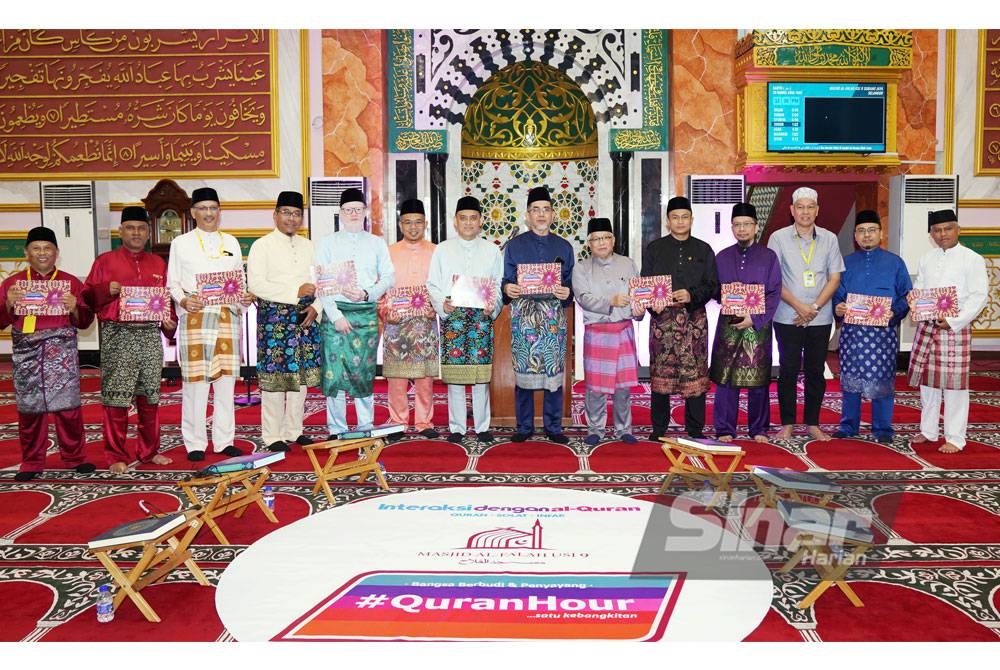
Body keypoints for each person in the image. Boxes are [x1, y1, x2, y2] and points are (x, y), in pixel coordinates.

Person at [82, 207, 176, 473]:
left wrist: (170, 325)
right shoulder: (105, 262)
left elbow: (166, 303)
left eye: (141, 228)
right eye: (130, 228)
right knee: (116, 400)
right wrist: (104, 289)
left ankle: (149, 451)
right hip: (118, 336)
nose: (136, 233)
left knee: (150, 399)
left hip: (148, 336)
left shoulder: (158, 264)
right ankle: (115, 456)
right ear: (120, 231)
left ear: (148, 233)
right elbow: (86, 298)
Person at [0, 226, 96, 481]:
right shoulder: (12, 284)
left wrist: (75, 307)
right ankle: (31, 462)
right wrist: (8, 303)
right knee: (30, 410)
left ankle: (75, 458)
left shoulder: (71, 283)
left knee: (68, 409)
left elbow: (85, 321)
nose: (42, 253)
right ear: (26, 252)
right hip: (26, 354)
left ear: (57, 253)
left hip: (61, 353)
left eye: (48, 248)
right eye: (36, 248)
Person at [166, 187, 252, 461]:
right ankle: (195, 443)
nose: (208, 214)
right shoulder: (181, 243)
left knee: (226, 382)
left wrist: (244, 298)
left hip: (227, 316)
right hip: (196, 317)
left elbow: (239, 280)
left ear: (219, 211)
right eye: (202, 208)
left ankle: (224, 440)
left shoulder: (232, 242)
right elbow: (173, 283)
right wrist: (182, 301)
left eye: (213, 208)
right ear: (193, 213)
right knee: (196, 384)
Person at [314, 188, 395, 438]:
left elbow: (390, 276)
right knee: (334, 374)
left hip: (364, 314)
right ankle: (336, 429)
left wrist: (368, 293)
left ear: (365, 212)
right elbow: (321, 282)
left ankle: (365, 428)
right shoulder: (327, 243)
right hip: (335, 314)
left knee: (363, 373)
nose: (353, 214)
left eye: (357, 210)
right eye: (348, 210)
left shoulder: (376, 242)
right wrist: (335, 315)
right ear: (340, 213)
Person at [246, 191, 322, 452]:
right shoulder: (262, 246)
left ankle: (294, 430)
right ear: (275, 215)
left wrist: (316, 307)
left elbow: (321, 283)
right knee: (275, 380)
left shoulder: (309, 246)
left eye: (297, 213)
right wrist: (294, 292)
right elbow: (255, 283)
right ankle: (272, 435)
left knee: (299, 379)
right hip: (274, 321)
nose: (292, 218)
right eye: (286, 213)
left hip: (304, 319)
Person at [908, 209, 988, 453]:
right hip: (928, 325)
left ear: (958, 229)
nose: (942, 234)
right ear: (931, 234)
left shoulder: (972, 258)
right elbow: (920, 288)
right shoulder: (927, 258)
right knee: (928, 383)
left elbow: (979, 297)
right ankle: (929, 430)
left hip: (955, 329)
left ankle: (956, 437)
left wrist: (954, 321)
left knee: (954, 386)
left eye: (947, 228)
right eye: (937, 230)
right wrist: (915, 301)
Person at [767, 187, 844, 441]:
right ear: (792, 210)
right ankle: (787, 423)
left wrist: (814, 309)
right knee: (788, 370)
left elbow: (834, 278)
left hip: (820, 318)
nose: (805, 212)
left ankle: (813, 423)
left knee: (815, 372)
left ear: (817, 210)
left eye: (810, 207)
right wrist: (801, 307)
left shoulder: (830, 239)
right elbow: (774, 279)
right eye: (800, 207)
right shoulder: (778, 238)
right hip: (787, 315)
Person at [427, 196, 504, 443]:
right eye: (463, 218)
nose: (468, 223)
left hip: (481, 318)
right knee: (456, 376)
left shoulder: (492, 250)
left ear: (480, 221)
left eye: (473, 218)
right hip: (454, 318)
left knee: (481, 376)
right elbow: (432, 284)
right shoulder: (442, 249)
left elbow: (498, 286)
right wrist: (443, 304)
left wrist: (493, 306)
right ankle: (457, 427)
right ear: (455, 222)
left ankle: (482, 426)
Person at [641, 196, 719, 440]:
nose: (680, 221)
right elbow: (645, 283)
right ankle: (659, 429)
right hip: (663, 322)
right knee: (660, 375)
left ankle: (695, 429)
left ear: (692, 220)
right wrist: (654, 304)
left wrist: (691, 295)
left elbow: (713, 286)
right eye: (675, 217)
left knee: (694, 375)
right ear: (668, 221)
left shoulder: (704, 249)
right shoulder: (655, 248)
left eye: (685, 217)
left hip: (694, 321)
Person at [501, 186, 575, 443]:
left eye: (546, 209)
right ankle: (524, 426)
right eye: (536, 210)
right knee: (523, 369)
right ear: (527, 216)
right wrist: (507, 288)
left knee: (554, 372)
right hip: (524, 318)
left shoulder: (564, 247)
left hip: (553, 319)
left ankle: (553, 427)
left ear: (553, 214)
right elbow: (506, 282)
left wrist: (568, 292)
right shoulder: (514, 246)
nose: (541, 215)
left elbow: (570, 283)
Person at [832, 210, 912, 444]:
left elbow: (907, 295)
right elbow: (837, 295)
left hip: (882, 334)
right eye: (861, 231)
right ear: (855, 236)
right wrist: (838, 307)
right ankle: (848, 426)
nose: (867, 235)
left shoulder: (895, 262)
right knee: (850, 380)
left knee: (883, 380)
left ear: (881, 233)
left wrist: (894, 312)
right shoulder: (846, 263)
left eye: (872, 230)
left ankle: (883, 428)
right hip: (853, 334)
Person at [709, 203, 781, 443]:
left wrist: (755, 318)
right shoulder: (722, 257)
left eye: (747, 224)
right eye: (737, 225)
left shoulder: (768, 257)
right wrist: (727, 298)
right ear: (732, 227)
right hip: (729, 325)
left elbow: (774, 292)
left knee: (758, 379)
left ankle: (758, 429)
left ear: (756, 227)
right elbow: (714, 289)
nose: (742, 229)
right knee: (726, 378)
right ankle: (724, 429)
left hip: (756, 327)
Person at [572, 217, 643, 446]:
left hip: (623, 330)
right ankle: (596, 428)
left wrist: (640, 309)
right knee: (596, 386)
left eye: (605, 237)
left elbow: (638, 295)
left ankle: (624, 429)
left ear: (613, 240)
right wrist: (610, 301)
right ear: (589, 244)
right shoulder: (581, 268)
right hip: (598, 331)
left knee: (623, 386)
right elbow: (584, 298)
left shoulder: (628, 264)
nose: (601, 242)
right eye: (596, 239)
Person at [380, 199, 439, 440]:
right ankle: (397, 422)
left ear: (425, 224)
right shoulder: (388, 252)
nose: (413, 227)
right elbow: (381, 288)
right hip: (395, 323)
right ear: (400, 224)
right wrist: (385, 310)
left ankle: (424, 421)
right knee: (396, 377)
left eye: (417, 222)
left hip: (425, 321)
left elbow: (442, 287)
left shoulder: (437, 252)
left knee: (425, 377)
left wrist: (434, 308)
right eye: (407, 222)